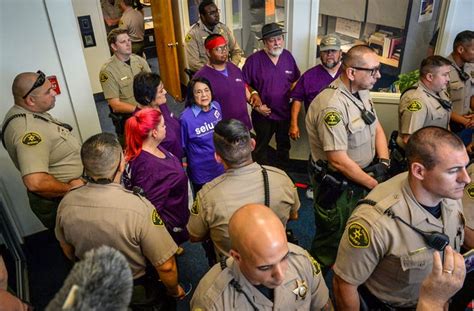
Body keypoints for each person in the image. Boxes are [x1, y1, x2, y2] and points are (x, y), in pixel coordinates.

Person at [333, 126, 468, 309]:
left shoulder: (449, 194)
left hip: (439, 298)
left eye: (465, 167)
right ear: (419, 171)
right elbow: (344, 285)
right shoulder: (374, 223)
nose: (466, 178)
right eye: (453, 171)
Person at [55, 133, 185, 306]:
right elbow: (166, 266)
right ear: (122, 165)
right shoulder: (139, 208)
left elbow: (68, 250)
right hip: (136, 288)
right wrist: (174, 290)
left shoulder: (66, 203)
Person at [305, 45, 390, 273]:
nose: (378, 76)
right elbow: (338, 161)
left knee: (355, 229)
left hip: (362, 178)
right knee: (330, 237)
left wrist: (383, 162)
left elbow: (377, 127)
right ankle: (314, 286)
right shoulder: (332, 106)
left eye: (378, 69)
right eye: (373, 71)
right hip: (339, 184)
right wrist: (375, 186)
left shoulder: (361, 91)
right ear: (351, 72)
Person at [187, 119, 300, 261]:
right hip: (278, 263)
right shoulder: (282, 179)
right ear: (253, 144)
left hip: (233, 273)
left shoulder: (207, 196)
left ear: (217, 157)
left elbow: (195, 236)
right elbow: (294, 215)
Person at [190, 204, 332, 310]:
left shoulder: (301, 260)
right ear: (237, 257)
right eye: (265, 267)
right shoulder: (212, 301)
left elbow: (323, 305)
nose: (280, 275)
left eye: (284, 257)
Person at [1, 71, 83, 229]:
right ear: (30, 100)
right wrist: (71, 189)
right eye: (47, 91)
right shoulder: (27, 131)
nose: (54, 93)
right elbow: (36, 183)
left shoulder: (28, 112)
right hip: (62, 200)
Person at [123, 108, 190, 245]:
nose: (166, 128)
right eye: (163, 125)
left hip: (176, 210)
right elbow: (151, 212)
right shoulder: (149, 170)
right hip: (168, 228)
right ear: (154, 132)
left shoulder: (152, 147)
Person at [242, 22, 300, 168]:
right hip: (263, 114)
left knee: (283, 146)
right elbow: (243, 84)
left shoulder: (287, 57)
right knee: (261, 147)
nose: (276, 43)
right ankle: (260, 175)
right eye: (272, 40)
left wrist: (292, 93)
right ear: (264, 43)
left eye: (279, 39)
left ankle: (283, 175)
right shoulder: (253, 61)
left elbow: (296, 79)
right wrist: (255, 104)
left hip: (284, 113)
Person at [99, 28, 151, 140]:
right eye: (123, 42)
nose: (128, 44)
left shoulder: (139, 61)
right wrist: (140, 109)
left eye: (129, 40)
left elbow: (153, 85)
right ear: (114, 47)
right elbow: (115, 105)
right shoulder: (108, 71)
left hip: (147, 111)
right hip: (130, 118)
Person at [289, 33, 343, 140]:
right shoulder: (309, 76)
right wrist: (293, 124)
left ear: (340, 53)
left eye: (333, 51)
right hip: (317, 128)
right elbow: (297, 99)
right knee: (318, 155)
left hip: (344, 128)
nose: (329, 54)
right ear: (320, 53)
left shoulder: (349, 74)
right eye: (326, 51)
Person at [193, 34, 252, 129]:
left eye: (225, 47)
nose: (224, 51)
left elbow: (243, 88)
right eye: (218, 49)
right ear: (208, 52)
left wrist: (254, 99)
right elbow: (196, 110)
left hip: (243, 126)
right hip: (222, 131)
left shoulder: (234, 69)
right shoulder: (200, 78)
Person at [180, 77, 225, 193]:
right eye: (198, 92)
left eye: (206, 90)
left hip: (220, 166)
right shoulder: (186, 118)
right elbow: (183, 146)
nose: (204, 95)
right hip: (201, 172)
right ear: (192, 95)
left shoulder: (217, 107)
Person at [397, 55, 452, 148]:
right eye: (444, 75)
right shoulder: (416, 100)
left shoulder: (440, 91)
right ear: (430, 77)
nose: (448, 79)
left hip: (438, 147)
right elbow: (409, 140)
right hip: (424, 155)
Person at [132, 72, 183, 159]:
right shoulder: (141, 123)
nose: (165, 92)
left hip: (177, 156)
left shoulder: (160, 104)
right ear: (147, 98)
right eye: (161, 91)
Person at [185, 0, 243, 73]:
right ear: (202, 16)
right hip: (207, 75)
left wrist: (231, 67)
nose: (216, 15)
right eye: (212, 13)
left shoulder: (223, 29)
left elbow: (236, 51)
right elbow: (193, 64)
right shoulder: (193, 34)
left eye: (217, 11)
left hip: (227, 72)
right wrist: (215, 72)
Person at [446, 30, 474, 145]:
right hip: (450, 128)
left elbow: (472, 95)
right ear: (461, 50)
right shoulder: (443, 69)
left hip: (468, 125)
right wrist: (466, 121)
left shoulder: (470, 67)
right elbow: (440, 105)